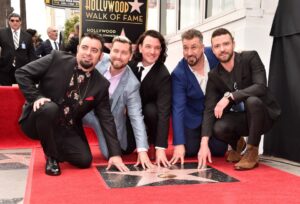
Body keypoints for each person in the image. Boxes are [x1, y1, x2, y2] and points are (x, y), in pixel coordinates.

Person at [15, 33, 129, 176]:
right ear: (78, 49)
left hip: (66, 127)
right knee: (50, 108)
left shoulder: (101, 85)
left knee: (84, 160)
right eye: (85, 48)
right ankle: (52, 157)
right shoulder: (56, 59)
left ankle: (53, 143)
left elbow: (107, 119)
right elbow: (22, 73)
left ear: (100, 56)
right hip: (37, 120)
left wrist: (115, 154)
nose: (88, 53)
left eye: (94, 51)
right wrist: (36, 97)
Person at [198, 28, 281, 170]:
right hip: (245, 119)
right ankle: (238, 144)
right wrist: (204, 143)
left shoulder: (250, 57)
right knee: (218, 127)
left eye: (226, 44)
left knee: (252, 101)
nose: (222, 49)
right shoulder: (214, 75)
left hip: (264, 115)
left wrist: (231, 97)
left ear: (233, 44)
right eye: (217, 46)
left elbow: (261, 87)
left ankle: (252, 151)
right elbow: (209, 109)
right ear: (212, 49)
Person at [83, 36, 153, 169]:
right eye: (116, 51)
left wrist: (142, 151)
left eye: (124, 53)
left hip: (110, 121)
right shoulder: (98, 61)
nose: (119, 56)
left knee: (110, 153)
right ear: (110, 51)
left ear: (130, 56)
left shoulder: (132, 84)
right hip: (85, 110)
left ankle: (97, 124)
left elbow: (136, 116)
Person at [170, 29, 228, 165]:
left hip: (215, 115)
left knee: (219, 151)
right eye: (185, 48)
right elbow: (178, 108)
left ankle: (234, 139)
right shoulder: (178, 73)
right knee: (189, 150)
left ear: (202, 47)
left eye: (194, 47)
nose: (189, 52)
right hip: (193, 117)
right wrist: (178, 144)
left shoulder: (215, 56)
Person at [129, 30, 171, 167]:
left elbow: (164, 112)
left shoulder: (163, 74)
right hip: (130, 116)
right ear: (140, 47)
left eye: (157, 48)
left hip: (150, 115)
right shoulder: (130, 66)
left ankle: (151, 143)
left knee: (152, 109)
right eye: (148, 46)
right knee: (125, 149)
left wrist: (161, 147)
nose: (152, 52)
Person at [0, 13, 36, 85]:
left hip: (23, 70)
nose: (15, 22)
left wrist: (31, 69)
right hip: (5, 69)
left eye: (17, 20)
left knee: (21, 92)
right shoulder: (1, 33)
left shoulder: (27, 36)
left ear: (20, 22)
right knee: (6, 93)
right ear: (9, 22)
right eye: (12, 20)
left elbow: (31, 54)